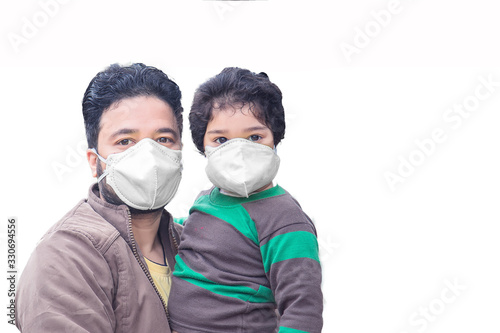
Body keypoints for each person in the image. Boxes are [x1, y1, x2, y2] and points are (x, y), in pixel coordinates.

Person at [15, 63, 184, 332]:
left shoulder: (193, 246)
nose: (149, 156)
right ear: (95, 162)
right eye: (125, 141)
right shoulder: (66, 257)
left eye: (163, 139)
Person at [169, 67, 323, 333]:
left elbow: (302, 310)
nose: (238, 150)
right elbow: (202, 233)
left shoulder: (284, 219)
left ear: (275, 138)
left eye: (254, 137)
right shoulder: (206, 201)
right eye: (221, 139)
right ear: (201, 145)